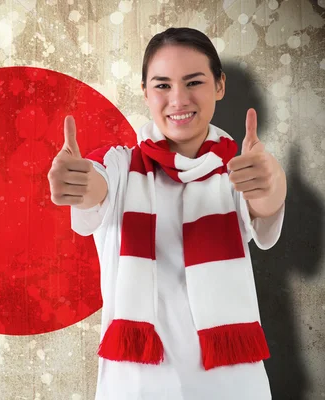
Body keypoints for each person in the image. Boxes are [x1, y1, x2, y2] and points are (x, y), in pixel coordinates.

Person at [47, 27, 287, 400]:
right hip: (139, 386)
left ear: (220, 86)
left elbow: (263, 203)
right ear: (144, 91)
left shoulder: (238, 171)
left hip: (231, 386)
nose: (178, 99)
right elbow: (95, 186)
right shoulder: (119, 167)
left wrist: (271, 182)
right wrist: (77, 182)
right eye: (162, 85)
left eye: (194, 82)